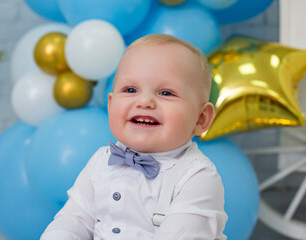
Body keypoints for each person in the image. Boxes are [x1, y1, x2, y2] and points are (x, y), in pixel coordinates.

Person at [40, 33, 228, 240]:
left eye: (166, 93)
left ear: (200, 119)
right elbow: (73, 220)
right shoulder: (100, 164)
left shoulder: (197, 176)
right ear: (111, 106)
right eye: (130, 89)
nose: (145, 101)